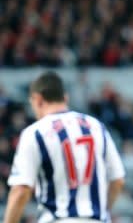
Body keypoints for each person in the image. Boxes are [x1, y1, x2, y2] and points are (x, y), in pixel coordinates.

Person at [4, 71, 125, 223]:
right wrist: (102, 210)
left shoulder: (35, 132)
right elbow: (118, 180)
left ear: (38, 99)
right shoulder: (96, 126)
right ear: (65, 98)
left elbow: (21, 190)